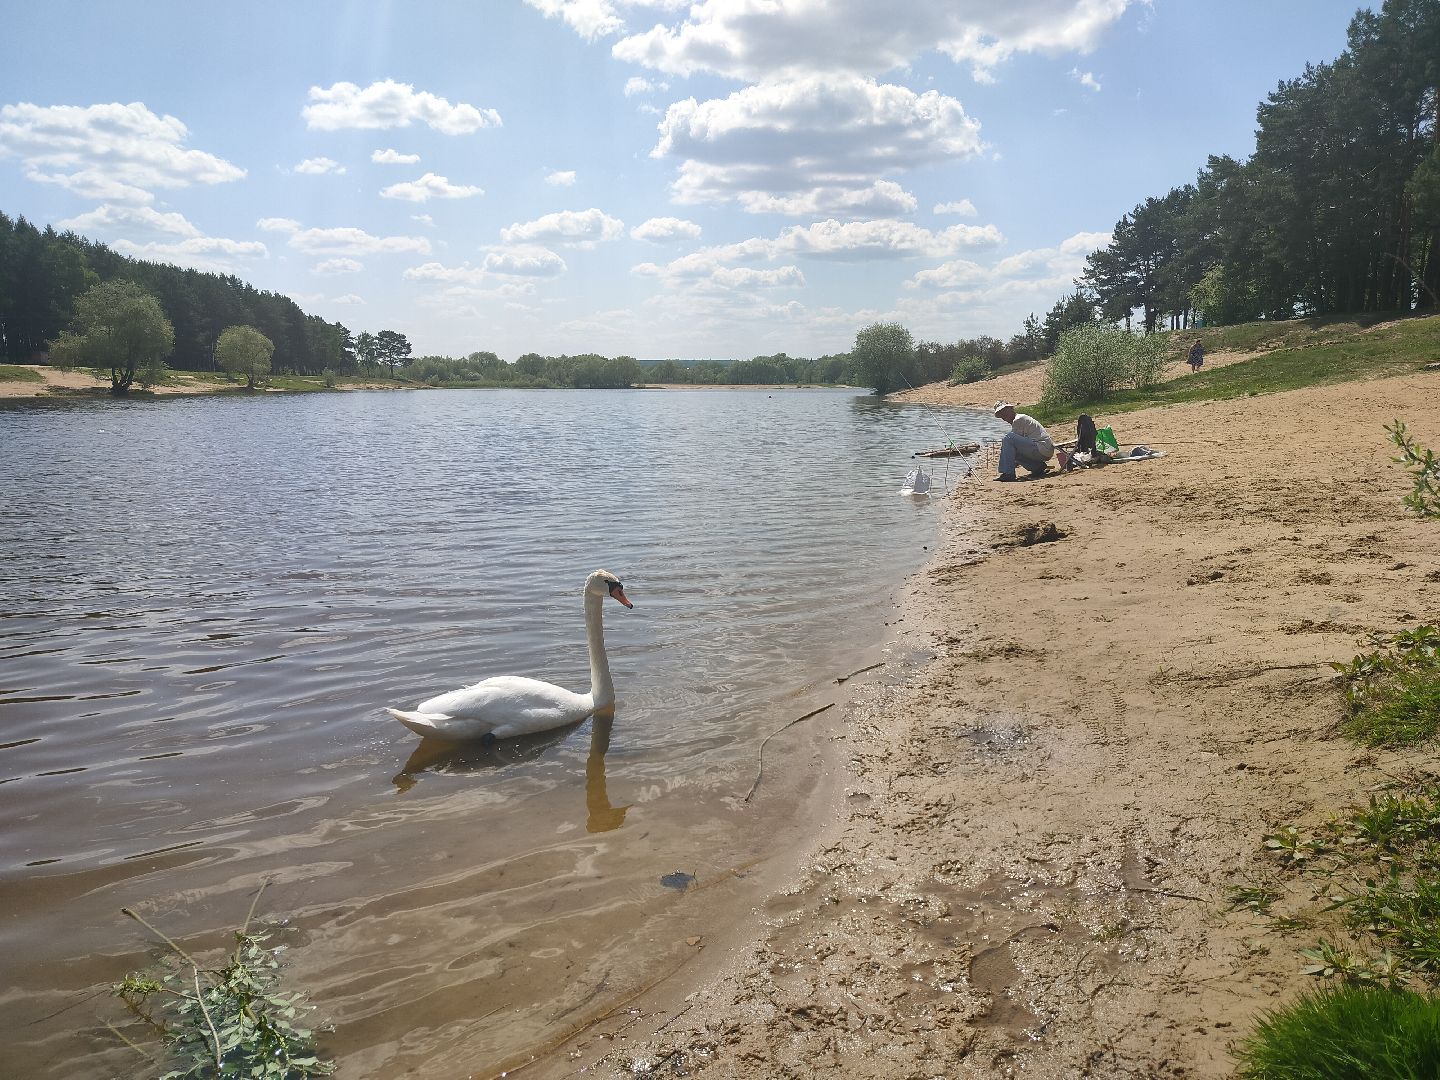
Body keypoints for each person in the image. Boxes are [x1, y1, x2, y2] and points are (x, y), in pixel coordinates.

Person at [992, 401, 1054, 482]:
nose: (1003, 416)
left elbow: (1011, 443)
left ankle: (1008, 474)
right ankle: (1037, 467)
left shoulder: (1019, 419)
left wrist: (1009, 463)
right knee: (1013, 448)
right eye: (1001, 414)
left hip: (1041, 448)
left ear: (1011, 408)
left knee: (1008, 438)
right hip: (1043, 450)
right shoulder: (1018, 419)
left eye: (1004, 411)